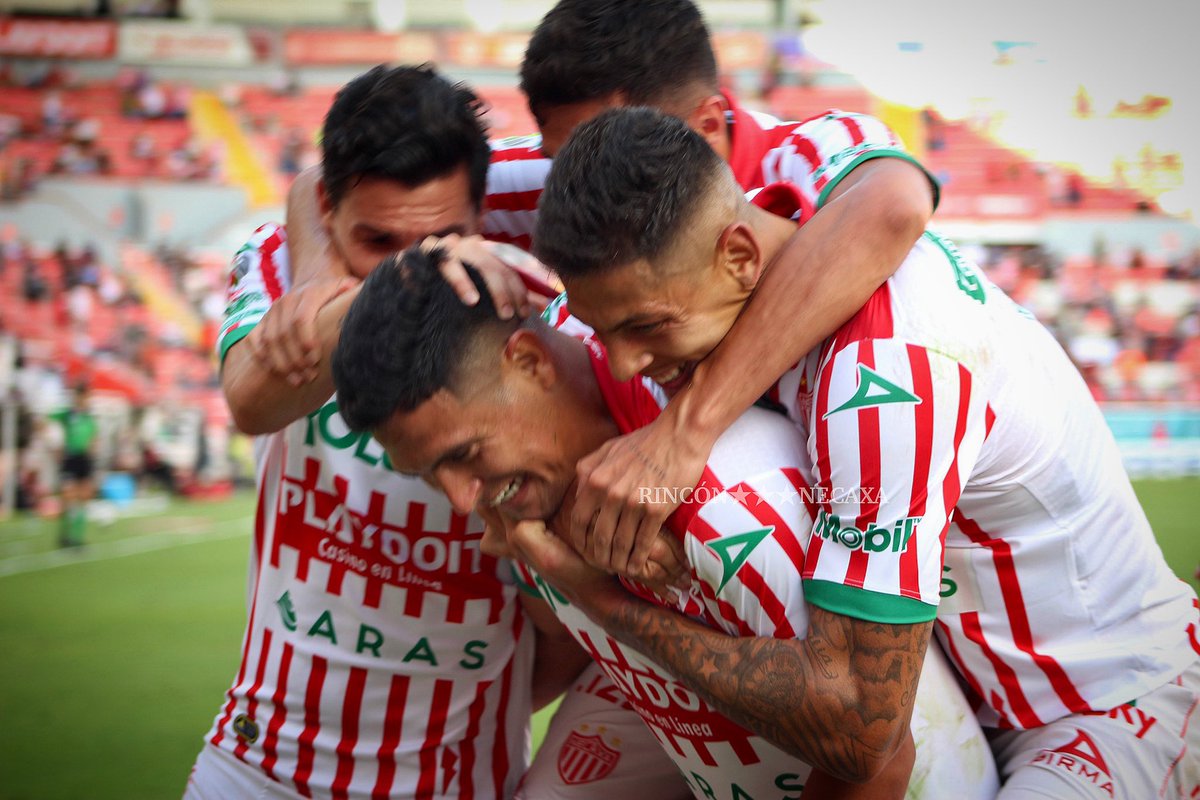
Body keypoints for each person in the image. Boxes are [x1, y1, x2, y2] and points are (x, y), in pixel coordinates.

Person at [530, 107, 1200, 798]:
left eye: (646, 326)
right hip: (966, 693)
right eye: (602, 330)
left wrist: (601, 603)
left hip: (1105, 702)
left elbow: (861, 729)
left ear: (740, 257)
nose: (622, 363)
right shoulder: (741, 274)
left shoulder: (882, 381)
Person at [277, 0, 937, 589]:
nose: (582, 174)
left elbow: (892, 207)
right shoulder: (556, 182)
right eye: (563, 154)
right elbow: (324, 181)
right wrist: (314, 273)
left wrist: (686, 430)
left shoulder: (804, 151)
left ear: (707, 125)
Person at [329, 246, 1001, 799]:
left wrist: (599, 597)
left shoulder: (730, 500)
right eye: (429, 474)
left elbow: (869, 752)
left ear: (531, 362)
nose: (463, 502)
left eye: (465, 456)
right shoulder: (547, 461)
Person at [187, 65, 688, 800]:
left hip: (453, 782)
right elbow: (251, 402)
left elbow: (562, 628)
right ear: (328, 210)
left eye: (444, 237)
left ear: (486, 215)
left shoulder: (541, 317)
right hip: (251, 767)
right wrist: (351, 288)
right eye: (376, 240)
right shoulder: (283, 264)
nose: (411, 264)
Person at [51, 383, 98, 547]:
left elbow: (94, 437)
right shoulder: (68, 414)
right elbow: (47, 421)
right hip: (71, 459)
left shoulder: (89, 416)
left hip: (84, 460)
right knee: (68, 497)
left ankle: (78, 537)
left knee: (84, 497)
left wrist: (92, 453)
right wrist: (55, 447)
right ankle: (64, 534)